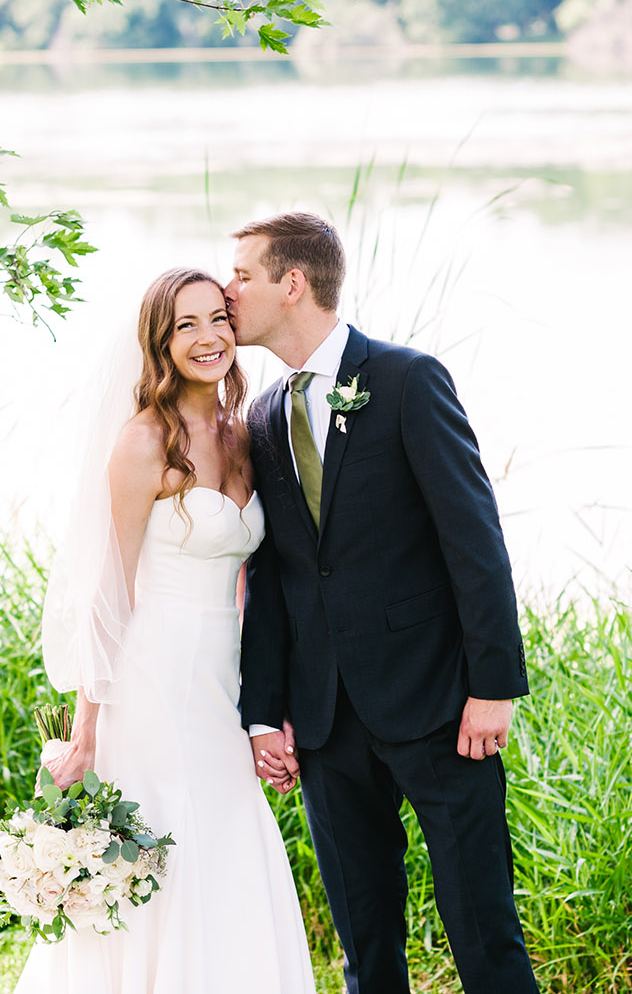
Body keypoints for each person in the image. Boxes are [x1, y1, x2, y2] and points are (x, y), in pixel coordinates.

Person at [229, 212, 540, 994]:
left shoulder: (407, 380)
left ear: (291, 283)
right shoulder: (263, 417)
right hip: (327, 724)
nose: (228, 292)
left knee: (483, 930)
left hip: (439, 707)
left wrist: (494, 686)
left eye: (241, 276)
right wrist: (268, 712)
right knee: (366, 944)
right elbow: (274, 577)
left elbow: (475, 540)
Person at [16, 267, 316, 994]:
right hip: (150, 675)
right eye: (186, 325)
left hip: (220, 678)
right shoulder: (144, 442)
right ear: (160, 340)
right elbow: (108, 590)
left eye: (218, 318)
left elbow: (256, 586)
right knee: (164, 841)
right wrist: (87, 730)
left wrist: (267, 707)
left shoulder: (243, 435)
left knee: (228, 834)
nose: (208, 337)